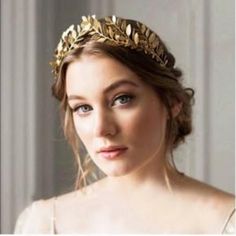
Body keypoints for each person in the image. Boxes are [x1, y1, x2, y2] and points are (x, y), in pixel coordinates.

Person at [14, 15, 235, 234]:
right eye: (83, 108)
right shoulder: (44, 223)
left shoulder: (225, 221)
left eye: (122, 99)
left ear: (171, 101)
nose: (100, 129)